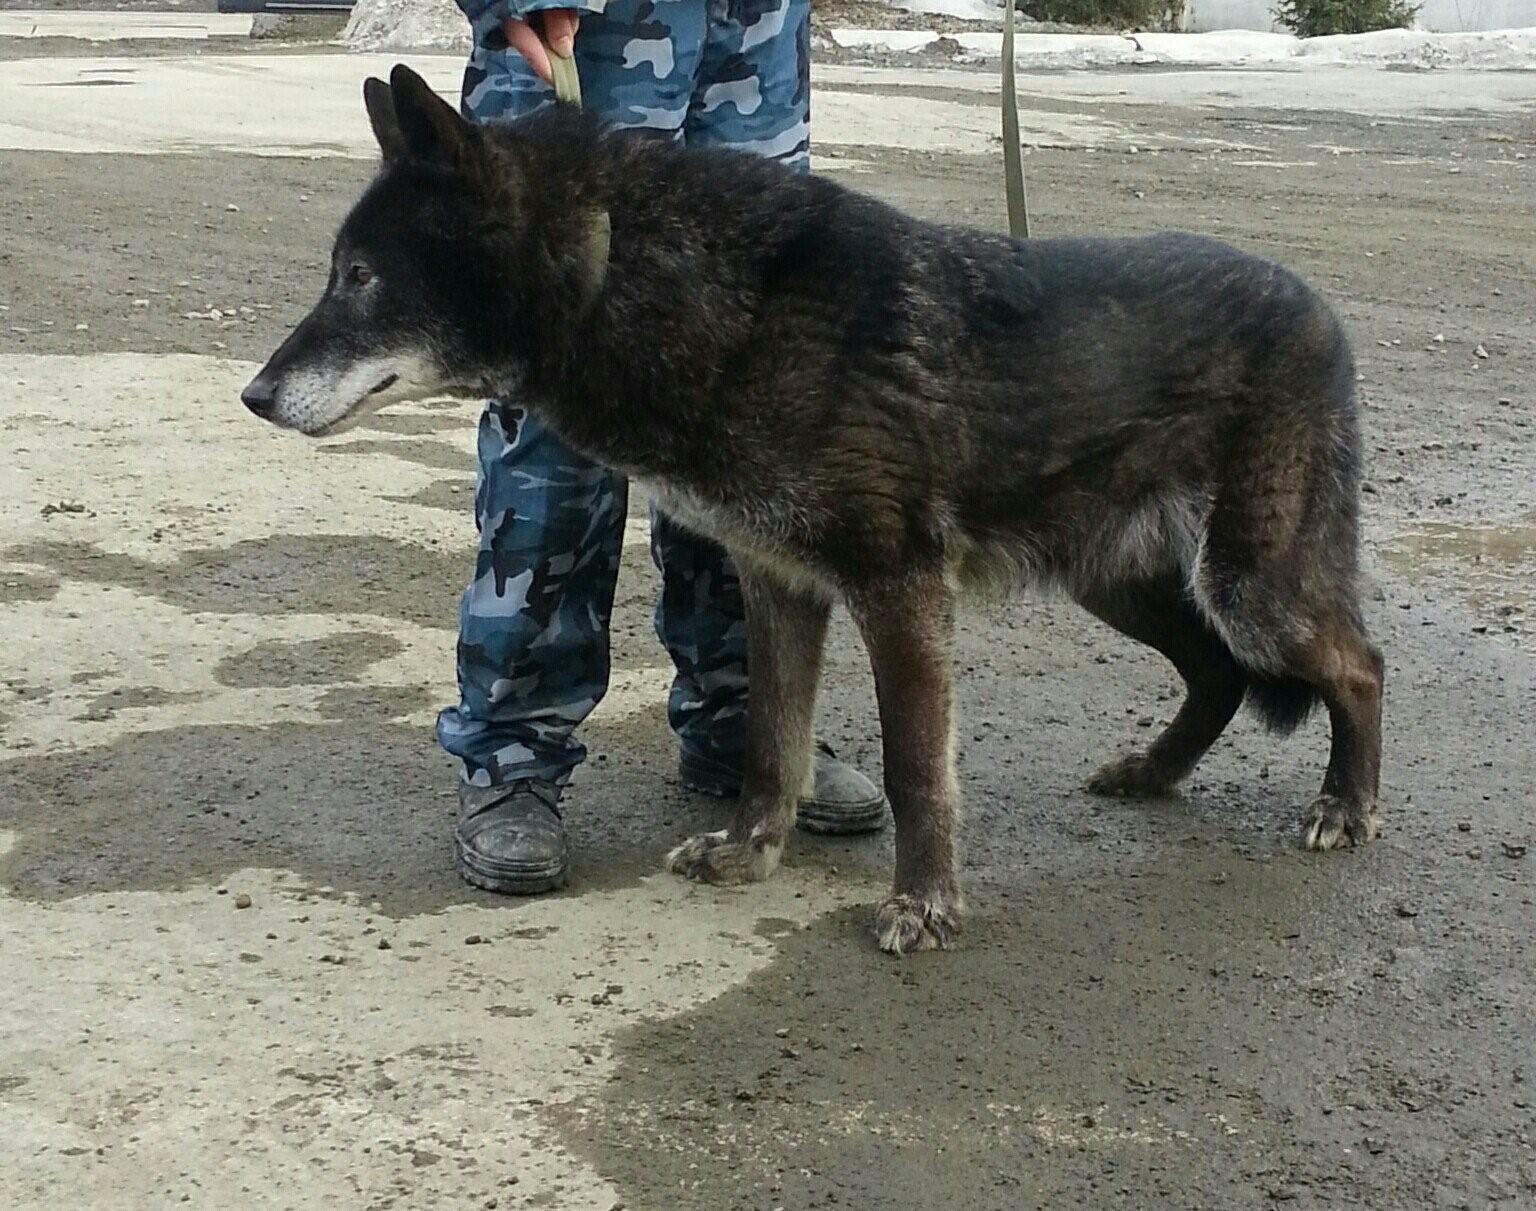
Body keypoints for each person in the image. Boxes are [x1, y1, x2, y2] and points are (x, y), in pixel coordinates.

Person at [440, 0, 886, 894]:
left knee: (751, 387)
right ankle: (514, 748)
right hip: (586, 27)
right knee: (558, 393)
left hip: (749, 37)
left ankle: (747, 722)